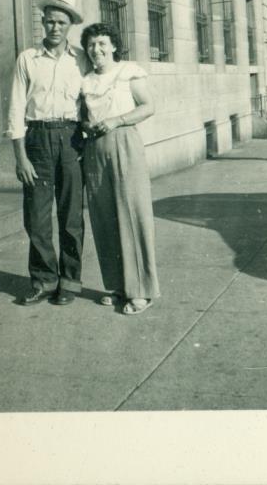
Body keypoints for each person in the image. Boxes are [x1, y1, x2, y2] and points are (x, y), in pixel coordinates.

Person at [6, 0, 89, 306]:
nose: (55, 27)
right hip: (37, 141)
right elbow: (16, 108)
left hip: (71, 140)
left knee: (71, 217)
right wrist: (20, 157)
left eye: (61, 23)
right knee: (37, 217)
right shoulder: (28, 58)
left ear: (70, 26)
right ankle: (44, 280)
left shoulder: (81, 59)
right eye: (50, 21)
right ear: (43, 22)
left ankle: (70, 281)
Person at [80, 22, 160, 315]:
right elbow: (83, 117)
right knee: (103, 216)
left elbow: (148, 106)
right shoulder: (86, 80)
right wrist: (87, 125)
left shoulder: (128, 72)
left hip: (125, 143)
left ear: (114, 45)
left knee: (132, 213)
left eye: (102, 43)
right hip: (95, 148)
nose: (96, 49)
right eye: (91, 44)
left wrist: (117, 120)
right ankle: (117, 286)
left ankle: (141, 291)